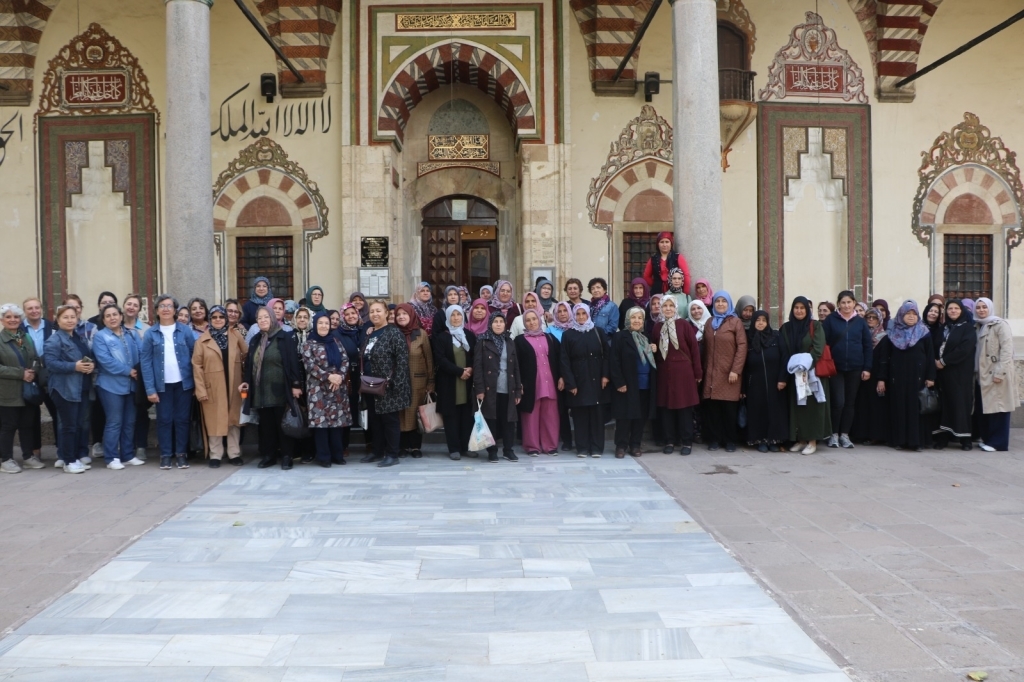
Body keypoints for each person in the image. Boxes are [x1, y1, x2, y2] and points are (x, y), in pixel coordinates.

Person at [241, 306, 302, 469]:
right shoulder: (255, 340)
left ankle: (287, 456)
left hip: (280, 389)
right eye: (259, 318)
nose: (262, 321)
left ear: (272, 319)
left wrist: (296, 384)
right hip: (260, 391)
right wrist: (247, 381)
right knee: (266, 426)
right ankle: (269, 456)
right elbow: (249, 365)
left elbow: (293, 362)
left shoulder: (284, 337)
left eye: (266, 317)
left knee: (282, 424)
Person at [141, 295, 197, 470]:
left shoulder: (185, 331)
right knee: (164, 419)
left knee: (182, 420)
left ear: (175, 310)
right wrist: (150, 389)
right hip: (162, 385)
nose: (166, 309)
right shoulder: (150, 333)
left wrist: (197, 384)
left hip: (184, 384)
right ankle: (165, 455)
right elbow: (146, 362)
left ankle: (181, 454)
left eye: (169, 306)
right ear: (157, 310)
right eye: (162, 306)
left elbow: (195, 356)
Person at [192, 305, 247, 468]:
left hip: (234, 384)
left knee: (233, 420)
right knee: (214, 420)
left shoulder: (235, 335)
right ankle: (215, 454)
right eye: (214, 317)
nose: (218, 320)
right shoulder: (202, 341)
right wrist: (200, 389)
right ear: (210, 320)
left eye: (221, 317)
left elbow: (246, 354)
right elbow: (196, 365)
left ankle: (234, 452)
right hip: (213, 386)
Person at [877, 301, 935, 451]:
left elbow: (930, 356)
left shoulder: (924, 333)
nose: (911, 317)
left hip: (919, 378)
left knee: (916, 408)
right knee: (899, 408)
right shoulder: (892, 335)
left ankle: (916, 442)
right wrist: (882, 378)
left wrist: (930, 377)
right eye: (908, 314)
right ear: (901, 315)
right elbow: (884, 359)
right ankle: (900, 440)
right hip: (898, 379)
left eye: (914, 314)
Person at [778, 296, 831, 455]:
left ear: (807, 310)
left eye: (802, 308)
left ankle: (812, 441)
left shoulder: (815, 326)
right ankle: (800, 439)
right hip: (795, 373)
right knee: (797, 406)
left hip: (812, 372)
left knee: (812, 407)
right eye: (796, 308)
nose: (799, 311)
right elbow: (784, 350)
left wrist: (805, 365)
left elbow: (818, 348)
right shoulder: (786, 328)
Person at [360, 301, 410, 467]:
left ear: (387, 313)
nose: (375, 314)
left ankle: (392, 454)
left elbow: (402, 359)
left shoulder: (393, 333)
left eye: (378, 311)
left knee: (390, 421)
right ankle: (377, 451)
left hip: (388, 386)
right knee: (375, 420)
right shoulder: (370, 334)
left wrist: (397, 383)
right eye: (372, 311)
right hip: (371, 385)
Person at [92, 304, 143, 469]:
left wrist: (139, 371)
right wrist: (128, 371)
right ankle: (111, 457)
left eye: (115, 314)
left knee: (129, 421)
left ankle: (127, 455)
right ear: (104, 320)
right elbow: (105, 361)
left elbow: (142, 353)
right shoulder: (100, 337)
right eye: (108, 316)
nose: (112, 318)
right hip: (110, 385)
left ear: (121, 316)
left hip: (131, 385)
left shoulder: (131, 334)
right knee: (114, 421)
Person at [44, 304, 93, 473]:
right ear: (58, 320)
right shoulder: (54, 340)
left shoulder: (77, 337)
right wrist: (75, 367)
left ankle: (73, 457)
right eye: (65, 317)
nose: (70, 320)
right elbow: (50, 364)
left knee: (77, 425)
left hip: (81, 387)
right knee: (69, 426)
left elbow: (84, 358)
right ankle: (68, 461)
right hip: (64, 389)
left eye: (73, 317)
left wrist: (89, 366)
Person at [822, 291, 874, 449]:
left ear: (854, 303)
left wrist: (867, 368)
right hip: (835, 368)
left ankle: (845, 435)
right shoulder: (831, 320)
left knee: (850, 403)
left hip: (855, 368)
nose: (846, 306)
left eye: (849, 302)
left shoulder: (860, 322)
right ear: (838, 304)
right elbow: (824, 344)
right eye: (843, 303)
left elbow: (867, 346)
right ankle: (833, 434)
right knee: (838, 402)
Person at [650, 297, 703, 455]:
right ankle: (670, 441)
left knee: (684, 408)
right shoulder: (657, 327)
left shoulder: (684, 325)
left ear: (676, 308)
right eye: (664, 305)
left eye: (671, 306)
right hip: (665, 372)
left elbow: (694, 350)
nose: (667, 309)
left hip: (683, 372)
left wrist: (697, 372)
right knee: (667, 409)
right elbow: (655, 350)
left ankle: (686, 442)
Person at [300, 311, 352, 467]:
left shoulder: (335, 341)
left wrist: (340, 376)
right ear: (315, 325)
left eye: (326, 323)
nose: (324, 326)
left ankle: (337, 455)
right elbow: (309, 365)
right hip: (318, 390)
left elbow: (345, 360)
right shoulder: (308, 343)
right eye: (320, 323)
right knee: (321, 425)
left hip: (337, 388)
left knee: (337, 423)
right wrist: (329, 376)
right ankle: (324, 457)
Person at [609, 307, 660, 457]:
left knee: (640, 417)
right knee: (624, 416)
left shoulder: (646, 337)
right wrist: (619, 382)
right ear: (627, 320)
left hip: (645, 384)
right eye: (633, 318)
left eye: (639, 318)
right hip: (627, 383)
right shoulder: (620, 337)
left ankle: (635, 445)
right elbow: (614, 361)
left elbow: (651, 361)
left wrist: (654, 351)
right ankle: (621, 445)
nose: (637, 321)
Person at [560, 304, 609, 458]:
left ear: (588, 315)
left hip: (596, 378)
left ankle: (596, 447)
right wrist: (570, 383)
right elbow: (564, 360)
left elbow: (607, 355)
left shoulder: (598, 332)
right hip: (578, 380)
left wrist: (605, 376)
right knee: (580, 415)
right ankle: (582, 447)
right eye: (578, 314)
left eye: (584, 314)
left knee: (596, 415)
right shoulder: (568, 335)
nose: (581, 317)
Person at [473, 312, 522, 462]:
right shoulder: (483, 341)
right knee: (491, 419)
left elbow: (515, 367)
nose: (499, 324)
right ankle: (492, 451)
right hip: (490, 388)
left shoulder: (509, 341)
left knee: (509, 421)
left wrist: (518, 390)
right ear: (490, 324)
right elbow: (478, 367)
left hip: (508, 387)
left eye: (501, 321)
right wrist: (479, 389)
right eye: (496, 322)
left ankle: (508, 450)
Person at [701, 292, 746, 452]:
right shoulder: (709, 322)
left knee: (728, 410)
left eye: (723, 301)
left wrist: (736, 370)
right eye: (717, 301)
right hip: (712, 373)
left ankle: (730, 440)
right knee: (713, 409)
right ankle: (714, 439)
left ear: (729, 304)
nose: (720, 304)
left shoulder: (735, 322)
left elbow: (742, 347)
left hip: (729, 374)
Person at [0, 303, 42, 473]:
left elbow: (36, 358)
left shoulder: (25, 338)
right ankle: (6, 459)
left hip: (27, 391)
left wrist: (33, 371)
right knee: (8, 426)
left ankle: (28, 456)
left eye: (16, 317)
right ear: (2, 320)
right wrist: (20, 373)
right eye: (8, 317)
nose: (13, 320)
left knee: (27, 424)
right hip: (8, 391)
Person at [973, 297, 1018, 452]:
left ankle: (998, 443)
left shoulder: (1000, 325)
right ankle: (988, 439)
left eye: (984, 307)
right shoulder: (978, 325)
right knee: (985, 408)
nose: (981, 310)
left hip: (997, 373)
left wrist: (1000, 372)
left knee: (999, 407)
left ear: (990, 308)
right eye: (978, 307)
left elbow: (1007, 350)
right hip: (982, 374)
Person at [515, 310, 560, 456]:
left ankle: (550, 446)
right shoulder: (520, 340)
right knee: (530, 416)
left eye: (534, 319)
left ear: (539, 320)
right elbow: (516, 364)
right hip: (531, 384)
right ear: (524, 323)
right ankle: (532, 446)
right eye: (528, 320)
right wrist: (519, 383)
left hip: (550, 383)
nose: (532, 322)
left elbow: (558, 360)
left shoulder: (549, 337)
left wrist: (561, 378)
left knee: (551, 416)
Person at [434, 305, 477, 460]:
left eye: (459, 314)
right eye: (453, 315)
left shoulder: (470, 336)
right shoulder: (442, 337)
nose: (456, 318)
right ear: (448, 317)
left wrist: (471, 369)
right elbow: (441, 360)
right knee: (451, 416)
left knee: (466, 416)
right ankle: (454, 448)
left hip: (467, 382)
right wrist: (460, 372)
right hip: (449, 382)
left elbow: (475, 355)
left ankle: (466, 447)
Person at [932, 299, 975, 451]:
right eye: (950, 308)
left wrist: (944, 361)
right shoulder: (943, 327)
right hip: (943, 375)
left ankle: (965, 440)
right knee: (945, 405)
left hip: (959, 374)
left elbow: (964, 349)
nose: (953, 311)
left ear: (962, 310)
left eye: (956, 308)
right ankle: (943, 439)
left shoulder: (968, 328)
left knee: (960, 404)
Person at [742, 311, 789, 452]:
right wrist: (743, 388)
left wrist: (782, 378)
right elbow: (743, 365)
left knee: (775, 411)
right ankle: (760, 440)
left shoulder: (776, 336)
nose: (761, 323)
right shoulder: (748, 338)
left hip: (775, 381)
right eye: (758, 320)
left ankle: (774, 440)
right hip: (755, 382)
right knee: (758, 411)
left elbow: (785, 357)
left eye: (763, 320)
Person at [20, 297, 57, 463]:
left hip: (50, 376)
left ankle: (60, 449)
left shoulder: (52, 326)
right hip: (29, 376)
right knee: (31, 416)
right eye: (30, 308)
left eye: (37, 307)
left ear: (41, 309)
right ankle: (34, 451)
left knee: (57, 413)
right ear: (25, 311)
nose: (34, 311)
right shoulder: (19, 329)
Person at [395, 303, 434, 458]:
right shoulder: (393, 333)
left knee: (415, 412)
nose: (401, 317)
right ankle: (403, 446)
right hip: (398, 382)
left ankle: (416, 447)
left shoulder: (421, 334)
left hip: (417, 380)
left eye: (405, 314)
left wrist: (431, 382)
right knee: (401, 413)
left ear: (411, 315)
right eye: (398, 314)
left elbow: (429, 359)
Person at [849, 308, 890, 445]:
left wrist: (881, 379)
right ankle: (861, 434)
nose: (871, 320)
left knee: (876, 406)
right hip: (862, 374)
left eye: (874, 318)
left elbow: (884, 360)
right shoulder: (861, 335)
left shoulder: (884, 337)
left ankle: (875, 435)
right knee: (862, 405)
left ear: (880, 320)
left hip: (876, 376)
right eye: (868, 317)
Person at [336, 304, 365, 456]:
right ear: (343, 317)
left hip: (365, 375)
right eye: (347, 314)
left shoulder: (365, 331)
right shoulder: (337, 334)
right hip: (347, 376)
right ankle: (344, 444)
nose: (351, 316)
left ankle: (370, 442)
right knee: (346, 410)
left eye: (353, 313)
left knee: (367, 406)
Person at [547, 301, 575, 451]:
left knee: (577, 408)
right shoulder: (550, 331)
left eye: (565, 310)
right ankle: (567, 440)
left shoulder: (578, 328)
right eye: (559, 311)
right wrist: (561, 376)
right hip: (558, 376)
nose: (562, 313)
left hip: (577, 375)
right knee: (562, 409)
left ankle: (581, 439)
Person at [643, 231, 691, 296]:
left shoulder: (678, 257)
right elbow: (646, 276)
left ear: (671, 243)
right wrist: (656, 284)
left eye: (667, 242)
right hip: (658, 294)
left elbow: (686, 275)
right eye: (662, 242)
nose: (664, 245)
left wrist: (685, 294)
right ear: (658, 244)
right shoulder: (653, 259)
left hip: (675, 293)